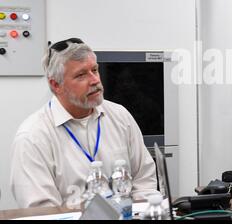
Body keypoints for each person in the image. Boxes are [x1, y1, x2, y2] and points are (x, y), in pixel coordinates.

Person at [10, 38, 158, 208]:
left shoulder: (120, 116)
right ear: (56, 85)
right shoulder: (32, 138)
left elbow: (144, 180)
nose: (94, 80)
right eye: (81, 75)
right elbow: (42, 212)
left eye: (95, 70)